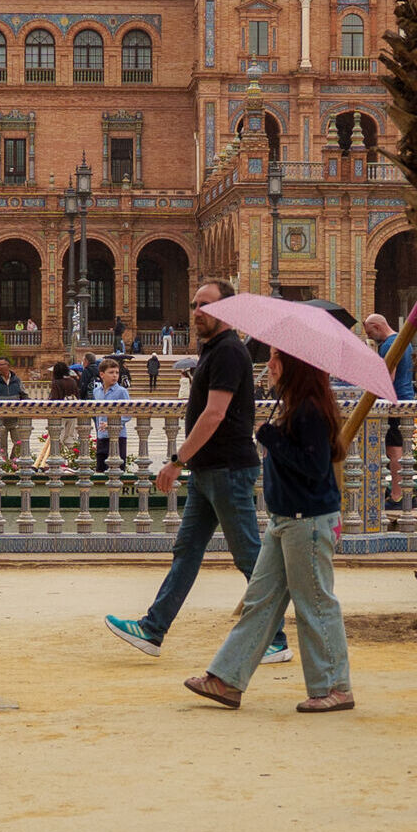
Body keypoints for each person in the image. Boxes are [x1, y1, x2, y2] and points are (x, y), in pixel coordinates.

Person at [105, 280, 290, 666]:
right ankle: (153, 629)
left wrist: (177, 460)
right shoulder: (213, 351)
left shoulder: (228, 352)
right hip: (210, 471)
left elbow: (214, 413)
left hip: (226, 469)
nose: (196, 311)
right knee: (187, 551)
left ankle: (275, 637)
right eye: (194, 304)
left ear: (227, 309)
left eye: (205, 305)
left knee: (248, 556)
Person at [182, 348, 354, 712]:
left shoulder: (308, 411)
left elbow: (315, 465)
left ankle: (335, 687)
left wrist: (272, 440)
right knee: (260, 603)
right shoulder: (294, 406)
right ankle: (226, 679)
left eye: (278, 359)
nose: (270, 365)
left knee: (316, 604)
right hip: (284, 520)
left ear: (297, 365)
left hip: (305, 521)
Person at [359, 313, 417, 509]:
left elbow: (388, 378)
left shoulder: (387, 345)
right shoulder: (403, 341)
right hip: (406, 399)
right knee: (399, 449)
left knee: (394, 450)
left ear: (377, 326)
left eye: (370, 332)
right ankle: (405, 494)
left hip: (394, 403)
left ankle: (397, 496)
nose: (370, 337)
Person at [91, 357, 133, 468]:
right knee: (101, 468)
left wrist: (112, 424)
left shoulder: (122, 391)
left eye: (117, 373)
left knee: (117, 468)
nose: (115, 375)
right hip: (101, 435)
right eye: (111, 372)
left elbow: (128, 413)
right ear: (102, 374)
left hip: (118, 435)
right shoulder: (96, 391)